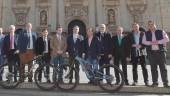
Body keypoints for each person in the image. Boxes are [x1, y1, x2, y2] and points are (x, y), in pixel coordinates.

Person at [142, 20, 169, 88]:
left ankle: (165, 83)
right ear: (148, 26)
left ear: (155, 25)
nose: (151, 26)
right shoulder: (146, 33)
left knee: (163, 68)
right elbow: (143, 41)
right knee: (153, 68)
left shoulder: (161, 31)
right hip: (151, 53)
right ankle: (155, 83)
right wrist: (151, 43)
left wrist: (158, 42)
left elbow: (167, 39)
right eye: (149, 25)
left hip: (161, 52)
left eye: (152, 24)